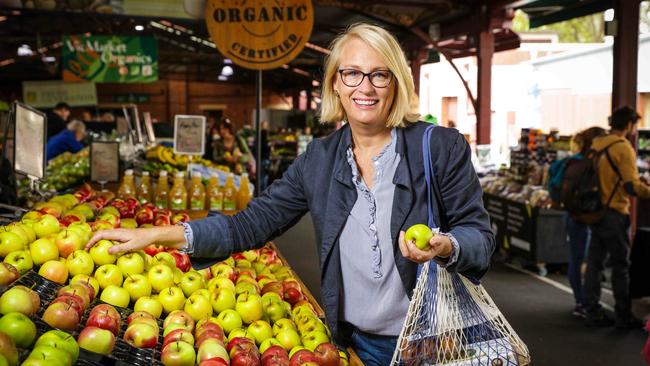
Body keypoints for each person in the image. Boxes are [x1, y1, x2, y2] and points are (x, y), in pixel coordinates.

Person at [85, 23, 494, 365]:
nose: (364, 87)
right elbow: (252, 223)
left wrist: (446, 245)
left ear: (396, 82)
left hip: (440, 341)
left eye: (379, 74)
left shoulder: (438, 146)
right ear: (335, 83)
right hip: (361, 346)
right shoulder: (319, 159)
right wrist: (156, 235)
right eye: (351, 73)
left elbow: (479, 235)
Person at [583, 106, 650, 329]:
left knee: (595, 263)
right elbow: (631, 186)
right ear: (629, 124)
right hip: (614, 212)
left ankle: (591, 310)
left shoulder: (597, 143)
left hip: (595, 211)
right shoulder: (623, 148)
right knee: (621, 266)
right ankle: (623, 316)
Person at [561, 127, 606, 318]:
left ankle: (581, 301)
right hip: (587, 217)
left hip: (573, 216)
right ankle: (583, 302)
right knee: (585, 261)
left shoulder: (573, 161)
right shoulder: (592, 163)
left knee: (577, 259)